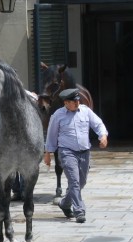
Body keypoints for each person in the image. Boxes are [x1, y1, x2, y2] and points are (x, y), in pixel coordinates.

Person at [43, 87, 108, 224]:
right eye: (74, 101)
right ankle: (79, 211)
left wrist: (103, 136)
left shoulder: (85, 111)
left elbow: (98, 124)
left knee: (81, 182)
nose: (77, 103)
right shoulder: (58, 115)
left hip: (84, 152)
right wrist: (47, 153)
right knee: (74, 181)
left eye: (78, 100)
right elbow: (51, 135)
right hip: (67, 152)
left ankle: (65, 203)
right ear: (66, 103)